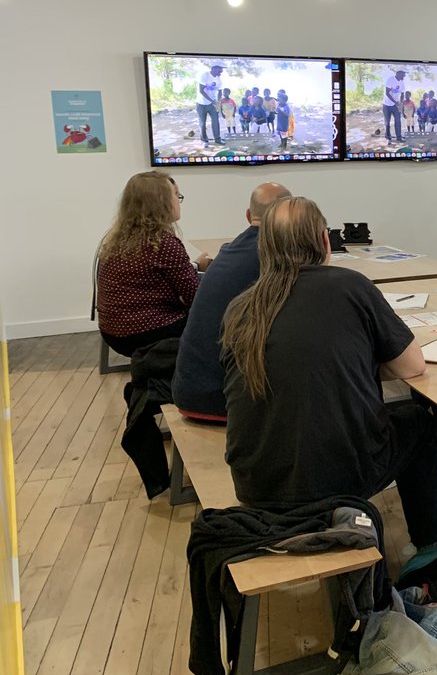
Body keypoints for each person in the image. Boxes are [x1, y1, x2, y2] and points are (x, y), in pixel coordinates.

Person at [221, 196, 437, 554]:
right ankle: (429, 548)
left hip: (254, 484)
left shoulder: (240, 306)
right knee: (418, 421)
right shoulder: (350, 286)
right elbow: (412, 366)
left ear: (264, 247)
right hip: (340, 480)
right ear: (326, 241)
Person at [171, 182, 292, 419]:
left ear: (248, 216)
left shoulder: (229, 250)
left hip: (190, 390)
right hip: (225, 401)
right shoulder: (276, 257)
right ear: (288, 217)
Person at [97, 172, 205, 358]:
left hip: (113, 333)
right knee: (222, 317)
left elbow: (149, 280)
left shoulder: (117, 239)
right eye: (176, 195)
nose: (179, 201)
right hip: (149, 332)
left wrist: (193, 266)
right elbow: (196, 297)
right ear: (160, 202)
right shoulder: (163, 243)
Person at [196, 63, 224, 146]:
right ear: (214, 69)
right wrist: (212, 101)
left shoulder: (219, 80)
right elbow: (201, 90)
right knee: (202, 123)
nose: (221, 71)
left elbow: (220, 91)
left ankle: (217, 139)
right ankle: (205, 141)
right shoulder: (205, 76)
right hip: (201, 103)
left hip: (213, 104)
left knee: (215, 121)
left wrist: (218, 101)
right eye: (220, 69)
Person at [383, 67, 406, 144]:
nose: (404, 76)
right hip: (386, 104)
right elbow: (387, 93)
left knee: (398, 121)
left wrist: (401, 102)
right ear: (398, 74)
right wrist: (395, 102)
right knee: (387, 122)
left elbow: (403, 94)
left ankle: (399, 137)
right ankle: (388, 137)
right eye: (403, 74)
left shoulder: (402, 83)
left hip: (396, 105)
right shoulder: (390, 80)